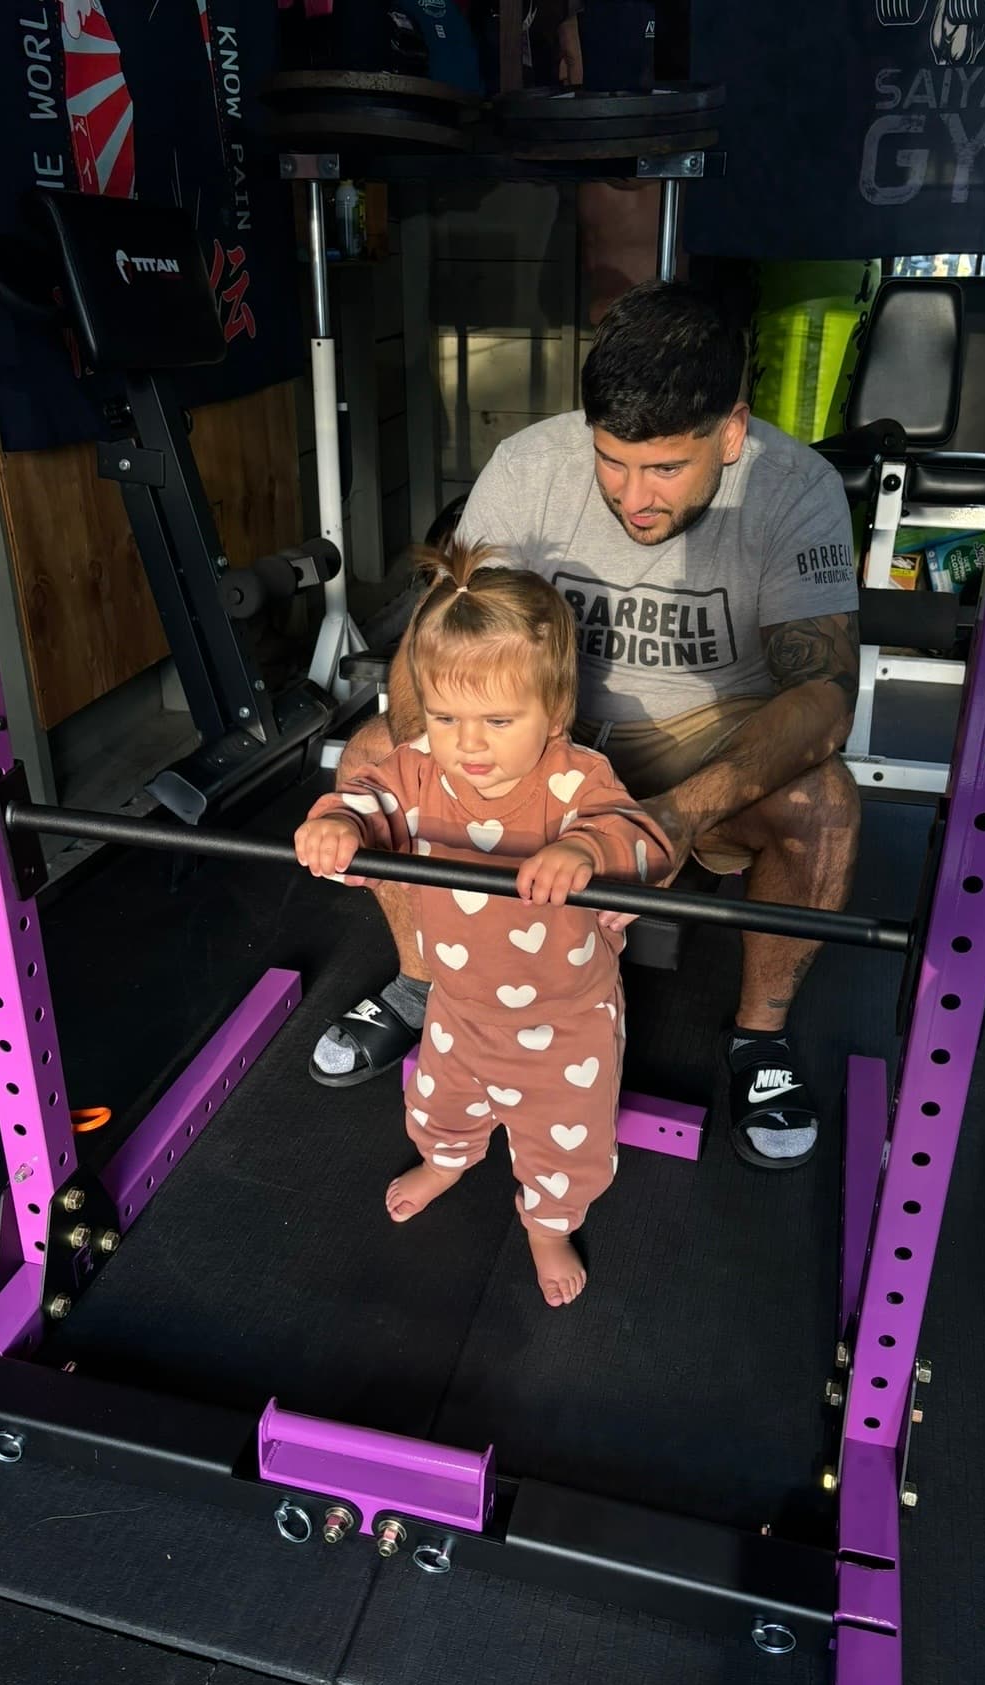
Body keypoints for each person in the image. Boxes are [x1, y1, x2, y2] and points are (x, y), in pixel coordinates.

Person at [312, 278, 860, 1173]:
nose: (632, 495)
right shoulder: (531, 464)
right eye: (613, 461)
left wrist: (678, 817)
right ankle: (424, 983)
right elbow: (439, 630)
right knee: (379, 750)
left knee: (822, 803)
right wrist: (430, 767)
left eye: (665, 469)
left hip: (706, 727)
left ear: (730, 429)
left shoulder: (796, 487)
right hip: (549, 720)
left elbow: (825, 696)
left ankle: (759, 1040)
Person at [295, 542, 673, 1306]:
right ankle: (447, 1161)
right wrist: (338, 820)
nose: (468, 744)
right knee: (439, 1107)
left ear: (555, 711)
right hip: (459, 1006)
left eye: (498, 719)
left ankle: (547, 1224)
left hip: (567, 1022)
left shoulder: (577, 781)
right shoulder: (422, 767)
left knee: (567, 1146)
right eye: (445, 715)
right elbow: (374, 799)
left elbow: (647, 844)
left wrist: (584, 847)